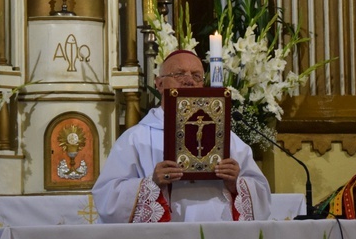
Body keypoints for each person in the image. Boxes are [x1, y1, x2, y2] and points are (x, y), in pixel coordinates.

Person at [93, 49, 272, 223]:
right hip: (165, 238)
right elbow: (108, 197)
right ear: (159, 84)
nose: (189, 81)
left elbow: (262, 192)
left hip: (217, 234)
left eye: (196, 76)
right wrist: (152, 184)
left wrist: (236, 183)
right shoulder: (136, 138)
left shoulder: (226, 136)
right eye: (179, 74)